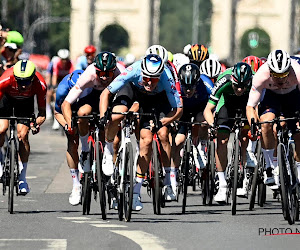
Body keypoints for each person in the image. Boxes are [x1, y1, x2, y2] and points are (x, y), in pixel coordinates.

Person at [99, 54, 183, 210]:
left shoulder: (166, 76)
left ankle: (136, 193)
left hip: (155, 100)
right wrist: (104, 116)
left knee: (148, 141)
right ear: (142, 72)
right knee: (116, 115)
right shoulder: (134, 69)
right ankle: (109, 150)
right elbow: (106, 93)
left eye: (154, 79)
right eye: (146, 78)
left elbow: (178, 108)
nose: (150, 82)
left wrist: (162, 122)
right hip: (131, 90)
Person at [61, 51, 121, 176]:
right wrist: (69, 123)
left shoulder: (120, 73)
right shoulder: (89, 73)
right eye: (101, 74)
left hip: (112, 97)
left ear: (114, 71)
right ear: (96, 70)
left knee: (113, 122)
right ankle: (85, 150)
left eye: (108, 74)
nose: (104, 78)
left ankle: (108, 153)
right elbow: (66, 103)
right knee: (82, 113)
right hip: (92, 96)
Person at [246, 49, 300, 187]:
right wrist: (253, 123)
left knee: (298, 132)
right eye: (276, 75)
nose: (280, 79)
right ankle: (270, 168)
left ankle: (298, 169)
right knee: (266, 123)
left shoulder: (297, 71)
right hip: (272, 97)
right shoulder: (261, 75)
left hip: (293, 97)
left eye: (284, 75)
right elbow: (250, 106)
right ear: (270, 71)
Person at [204, 62, 253, 202]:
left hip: (247, 105)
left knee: (245, 136)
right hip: (227, 105)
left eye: (243, 86)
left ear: (248, 82)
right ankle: (222, 186)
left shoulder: (255, 82)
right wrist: (213, 125)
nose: (239, 89)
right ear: (232, 79)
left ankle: (246, 159)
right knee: (222, 139)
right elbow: (208, 109)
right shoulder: (224, 80)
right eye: (236, 85)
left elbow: (257, 107)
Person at [0, 60, 47, 194]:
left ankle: (22, 178)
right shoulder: (5, 79)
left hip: (25, 104)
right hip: (6, 100)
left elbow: (42, 113)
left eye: (26, 82)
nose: (23, 85)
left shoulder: (40, 84)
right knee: (2, 129)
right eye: (19, 81)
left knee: (23, 136)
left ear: (33, 78)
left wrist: (36, 124)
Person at [171, 63, 214, 200]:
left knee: (202, 122)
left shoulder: (206, 84)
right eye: (185, 87)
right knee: (178, 142)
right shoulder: (175, 85)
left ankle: (201, 146)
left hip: (200, 109)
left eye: (191, 87)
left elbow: (216, 102)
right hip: (181, 110)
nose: (188, 91)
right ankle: (173, 174)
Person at [55, 69, 93, 205]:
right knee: (72, 140)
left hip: (87, 105)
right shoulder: (62, 89)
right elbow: (57, 112)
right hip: (69, 109)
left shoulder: (90, 83)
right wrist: (67, 125)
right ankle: (76, 184)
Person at [51, 49, 74, 130]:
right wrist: (54, 87)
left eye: (66, 59)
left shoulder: (70, 64)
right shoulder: (56, 63)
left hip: (67, 81)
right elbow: (54, 76)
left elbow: (72, 75)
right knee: (54, 94)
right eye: (62, 59)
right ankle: (56, 119)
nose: (64, 61)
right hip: (58, 80)